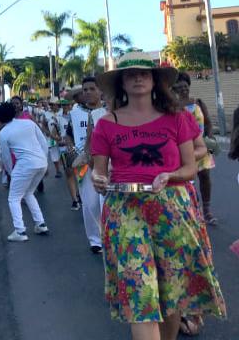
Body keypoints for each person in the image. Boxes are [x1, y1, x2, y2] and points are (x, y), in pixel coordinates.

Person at [91, 62, 226, 340]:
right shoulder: (106, 124)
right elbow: (100, 171)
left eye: (144, 73)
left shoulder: (177, 117)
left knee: (172, 288)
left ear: (155, 81)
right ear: (121, 83)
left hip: (172, 209)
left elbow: (190, 167)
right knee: (139, 294)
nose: (138, 78)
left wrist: (170, 175)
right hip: (125, 212)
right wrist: (98, 179)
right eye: (130, 74)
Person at [0, 102, 49, 241]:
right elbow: (43, 142)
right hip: (41, 162)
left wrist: (11, 172)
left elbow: (6, 157)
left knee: (14, 198)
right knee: (28, 193)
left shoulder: (3, 133)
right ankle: (40, 224)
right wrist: (44, 160)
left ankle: (20, 231)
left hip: (24, 165)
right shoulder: (29, 123)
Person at [171, 72, 217, 225]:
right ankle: (192, 211)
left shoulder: (198, 102)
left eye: (185, 86)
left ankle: (207, 211)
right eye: (180, 87)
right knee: (187, 181)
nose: (184, 90)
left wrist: (209, 139)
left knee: (205, 178)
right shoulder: (173, 108)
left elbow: (208, 122)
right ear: (175, 90)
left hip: (201, 147)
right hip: (183, 150)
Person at [67, 77, 107, 253]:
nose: (88, 92)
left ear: (100, 91)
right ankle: (95, 240)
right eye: (85, 90)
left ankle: (109, 236)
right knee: (90, 203)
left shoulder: (109, 112)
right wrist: (71, 148)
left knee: (106, 201)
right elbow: (68, 134)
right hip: (83, 163)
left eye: (92, 89)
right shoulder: (75, 114)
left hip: (106, 162)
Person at [44, 97, 64, 178]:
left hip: (62, 137)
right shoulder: (46, 114)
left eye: (53, 104)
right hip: (52, 138)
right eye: (50, 104)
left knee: (64, 153)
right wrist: (49, 134)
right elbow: (44, 126)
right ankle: (58, 171)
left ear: (58, 105)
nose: (52, 106)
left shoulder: (63, 112)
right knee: (54, 154)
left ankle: (65, 168)